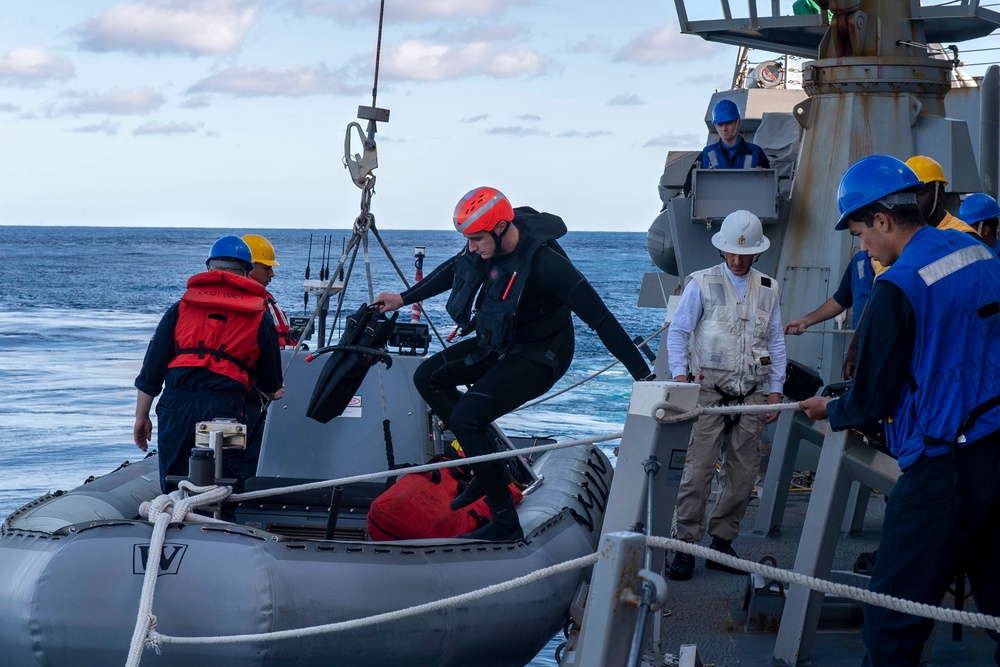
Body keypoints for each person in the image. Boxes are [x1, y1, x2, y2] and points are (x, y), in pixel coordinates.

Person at [799, 155, 1000, 666]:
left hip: (943, 468)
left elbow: (871, 400)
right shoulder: (976, 250)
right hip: (995, 450)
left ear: (884, 221)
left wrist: (829, 409)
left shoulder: (898, 284)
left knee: (892, 617)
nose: (862, 245)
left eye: (861, 232)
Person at [374, 186, 652, 541]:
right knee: (428, 377)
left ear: (502, 228)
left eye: (476, 239)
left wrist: (643, 375)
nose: (472, 246)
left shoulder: (547, 265)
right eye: (469, 239)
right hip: (502, 340)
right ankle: (490, 468)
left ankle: (504, 520)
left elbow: (602, 320)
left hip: (541, 355)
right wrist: (402, 298)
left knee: (466, 416)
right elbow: (455, 270)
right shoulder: (482, 246)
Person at [666, 210, 786, 581]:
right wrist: (681, 377)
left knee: (742, 475)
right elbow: (679, 333)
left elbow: (776, 342)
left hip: (750, 393)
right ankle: (685, 545)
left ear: (756, 254)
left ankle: (722, 543)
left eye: (744, 254)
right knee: (697, 472)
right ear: (722, 251)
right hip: (707, 392)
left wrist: (775, 392)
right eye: (732, 253)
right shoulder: (699, 284)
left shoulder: (769, 288)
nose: (737, 260)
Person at [133, 236, 284, 493]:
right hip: (227, 408)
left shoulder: (180, 309)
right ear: (246, 272)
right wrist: (274, 392)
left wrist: (141, 417)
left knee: (174, 485)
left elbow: (151, 372)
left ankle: (174, 527)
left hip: (176, 407)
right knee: (225, 486)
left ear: (209, 269)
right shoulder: (260, 317)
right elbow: (270, 385)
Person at [844, 154, 980, 377]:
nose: (864, 249)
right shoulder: (891, 252)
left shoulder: (964, 236)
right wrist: (858, 344)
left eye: (919, 193)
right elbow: (879, 294)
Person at [241, 233, 290, 481]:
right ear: (248, 266)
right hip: (252, 398)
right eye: (266, 268)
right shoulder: (257, 308)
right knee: (248, 459)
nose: (271, 274)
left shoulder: (264, 304)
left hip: (249, 395)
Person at [682, 99, 771, 196]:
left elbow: (770, 189)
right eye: (720, 124)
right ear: (715, 126)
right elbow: (689, 189)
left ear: (738, 122)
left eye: (728, 123)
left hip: (748, 210)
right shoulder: (706, 155)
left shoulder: (756, 154)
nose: (724, 129)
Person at [784, 249, 873, 335]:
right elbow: (840, 300)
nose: (863, 247)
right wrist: (804, 322)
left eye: (861, 234)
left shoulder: (886, 266)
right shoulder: (859, 260)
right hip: (862, 343)